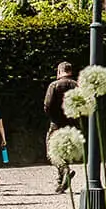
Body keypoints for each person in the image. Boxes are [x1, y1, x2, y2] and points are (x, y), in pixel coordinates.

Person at [42, 61, 79, 191]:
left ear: (59, 71)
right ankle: (61, 182)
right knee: (65, 151)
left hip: (57, 123)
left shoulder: (54, 85)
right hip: (72, 124)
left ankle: (64, 171)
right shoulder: (77, 85)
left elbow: (47, 105)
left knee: (52, 152)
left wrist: (54, 117)